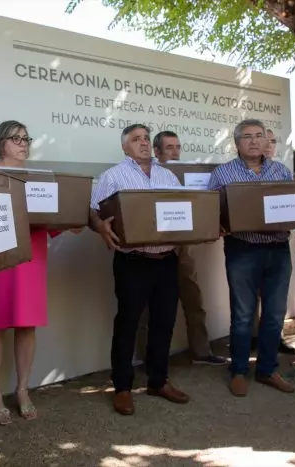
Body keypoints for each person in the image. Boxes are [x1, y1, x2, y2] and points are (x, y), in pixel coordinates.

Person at [0, 120, 78, 425]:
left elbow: (48, 219)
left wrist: (70, 220)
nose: (23, 143)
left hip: (32, 257)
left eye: (26, 138)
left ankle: (22, 390)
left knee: (27, 325)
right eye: (16, 138)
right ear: (1, 144)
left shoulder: (39, 179)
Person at [89, 123, 190, 416]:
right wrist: (99, 227)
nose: (144, 143)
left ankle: (158, 381)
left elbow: (183, 211)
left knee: (164, 321)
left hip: (166, 260)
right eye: (136, 139)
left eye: (146, 138)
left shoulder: (168, 176)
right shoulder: (112, 176)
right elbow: (92, 212)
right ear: (124, 147)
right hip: (132, 261)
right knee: (128, 324)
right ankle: (122, 388)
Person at [208, 119, 295, 397]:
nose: (255, 141)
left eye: (260, 136)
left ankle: (268, 369)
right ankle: (239, 371)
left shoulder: (281, 172)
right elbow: (209, 211)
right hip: (242, 250)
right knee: (243, 315)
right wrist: (217, 224)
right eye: (247, 137)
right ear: (236, 143)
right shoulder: (222, 174)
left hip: (278, 250)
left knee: (274, 315)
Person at [136, 130, 226, 365]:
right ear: (157, 151)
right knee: (147, 307)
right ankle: (150, 359)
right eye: (169, 148)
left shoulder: (189, 175)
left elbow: (197, 206)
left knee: (193, 299)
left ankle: (202, 352)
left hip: (184, 247)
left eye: (178, 147)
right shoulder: (147, 175)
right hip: (153, 247)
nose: (175, 152)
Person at [252, 128, 295, 355]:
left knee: (276, 299)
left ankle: (276, 339)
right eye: (264, 140)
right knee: (250, 300)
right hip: (249, 245)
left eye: (272, 141)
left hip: (278, 243)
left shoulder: (282, 172)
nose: (268, 145)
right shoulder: (242, 171)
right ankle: (253, 338)